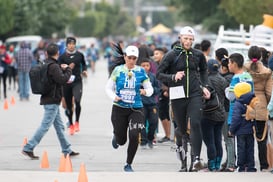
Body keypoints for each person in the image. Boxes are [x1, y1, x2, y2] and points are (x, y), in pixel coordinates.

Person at [156, 26, 210, 172]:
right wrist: (173, 77)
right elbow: (159, 74)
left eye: (191, 39)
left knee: (196, 123)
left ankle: (196, 159)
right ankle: (183, 162)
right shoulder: (171, 55)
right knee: (180, 130)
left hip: (194, 94)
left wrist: (205, 86)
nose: (188, 42)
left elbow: (204, 71)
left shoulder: (197, 55)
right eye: (186, 38)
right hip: (178, 95)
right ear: (180, 38)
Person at [22, 43, 79, 159]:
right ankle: (28, 147)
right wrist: (68, 69)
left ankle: (67, 149)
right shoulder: (53, 66)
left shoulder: (46, 64)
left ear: (46, 53)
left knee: (59, 127)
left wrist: (61, 69)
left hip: (49, 99)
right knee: (45, 126)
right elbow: (62, 80)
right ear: (57, 53)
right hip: (52, 100)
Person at [105, 45, 153, 172]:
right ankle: (116, 136)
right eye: (129, 57)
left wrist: (145, 92)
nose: (131, 60)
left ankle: (128, 163)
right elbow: (108, 88)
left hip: (136, 109)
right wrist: (114, 97)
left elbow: (150, 89)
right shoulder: (118, 70)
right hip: (119, 108)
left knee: (134, 134)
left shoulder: (141, 71)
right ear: (125, 57)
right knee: (122, 141)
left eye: (134, 58)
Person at [244, 45, 272, 172]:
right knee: (262, 138)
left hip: (246, 105)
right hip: (261, 105)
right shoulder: (267, 72)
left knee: (245, 136)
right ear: (260, 56)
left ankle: (247, 164)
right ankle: (264, 165)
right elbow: (269, 92)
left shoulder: (244, 68)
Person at [226, 53, 254, 172]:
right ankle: (250, 165)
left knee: (239, 144)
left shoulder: (235, 78)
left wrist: (226, 90)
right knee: (250, 145)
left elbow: (232, 96)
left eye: (229, 63)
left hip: (236, 113)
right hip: (249, 113)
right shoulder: (248, 76)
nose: (228, 65)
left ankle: (238, 165)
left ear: (234, 64)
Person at [201, 59, 228, 171]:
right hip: (221, 114)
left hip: (208, 113)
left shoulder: (206, 80)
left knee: (209, 141)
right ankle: (217, 163)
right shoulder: (223, 79)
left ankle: (211, 164)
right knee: (218, 140)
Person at [58, 37, 88, 135]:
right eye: (69, 44)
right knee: (69, 106)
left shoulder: (79, 55)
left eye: (73, 44)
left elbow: (84, 64)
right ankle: (71, 124)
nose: (71, 45)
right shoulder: (62, 57)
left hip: (77, 81)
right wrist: (64, 68)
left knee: (77, 101)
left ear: (75, 45)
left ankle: (77, 122)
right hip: (66, 83)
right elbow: (57, 68)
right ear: (66, 45)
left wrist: (84, 70)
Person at [229, 82, 257, 172]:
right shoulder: (252, 101)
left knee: (241, 148)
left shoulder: (238, 103)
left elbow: (236, 119)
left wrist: (231, 130)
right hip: (250, 130)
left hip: (240, 131)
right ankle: (250, 166)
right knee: (250, 149)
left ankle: (241, 166)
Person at [139, 57, 160, 149]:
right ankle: (143, 141)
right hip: (141, 103)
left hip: (152, 103)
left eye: (147, 65)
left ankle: (150, 139)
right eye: (143, 65)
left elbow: (158, 88)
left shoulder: (153, 76)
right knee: (141, 123)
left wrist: (150, 90)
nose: (145, 67)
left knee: (154, 122)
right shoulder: (137, 76)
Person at [153, 47, 172, 143]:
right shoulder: (158, 64)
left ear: (163, 55)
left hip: (165, 92)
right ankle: (168, 135)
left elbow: (167, 77)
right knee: (162, 113)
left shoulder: (165, 65)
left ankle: (169, 135)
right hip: (162, 91)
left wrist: (167, 89)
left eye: (157, 54)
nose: (155, 56)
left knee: (164, 114)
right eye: (154, 54)